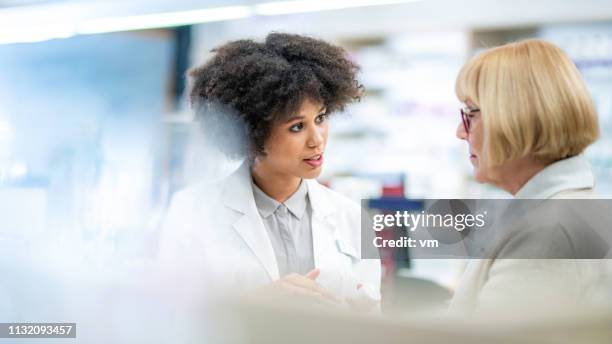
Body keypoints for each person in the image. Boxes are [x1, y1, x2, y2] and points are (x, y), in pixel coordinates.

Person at [158, 33, 380, 309]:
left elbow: (374, 317)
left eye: (320, 118)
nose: (317, 139)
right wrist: (255, 307)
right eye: (297, 127)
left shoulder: (356, 219)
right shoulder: (191, 211)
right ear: (253, 134)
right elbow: (171, 318)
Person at [450, 39, 610, 314]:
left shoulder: (545, 232)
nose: (460, 132)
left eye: (470, 114)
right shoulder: (569, 207)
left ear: (513, 118)